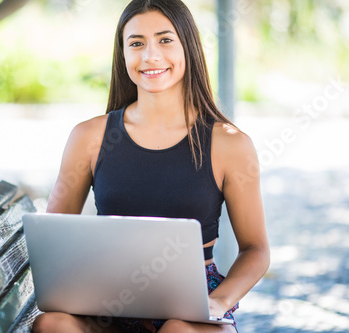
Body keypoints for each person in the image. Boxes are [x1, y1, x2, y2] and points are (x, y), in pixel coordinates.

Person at [32, 0, 269, 332]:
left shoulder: (230, 144)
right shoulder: (89, 137)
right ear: (123, 54)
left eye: (165, 39)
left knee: (176, 330)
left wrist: (218, 302)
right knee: (52, 324)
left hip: (193, 307)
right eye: (136, 43)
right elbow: (53, 238)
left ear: (189, 46)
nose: (150, 55)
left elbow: (256, 250)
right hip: (110, 302)